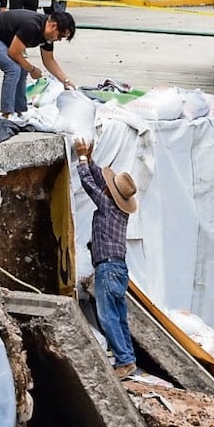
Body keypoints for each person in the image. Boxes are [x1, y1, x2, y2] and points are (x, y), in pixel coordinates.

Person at [73, 138, 139, 380]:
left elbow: (89, 184)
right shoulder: (119, 209)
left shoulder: (108, 206)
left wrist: (81, 158)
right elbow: (101, 182)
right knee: (118, 316)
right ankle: (127, 359)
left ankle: (123, 360)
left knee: (107, 316)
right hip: (118, 268)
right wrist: (90, 159)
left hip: (108, 268)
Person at [0, 10, 76, 117]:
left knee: (22, 69)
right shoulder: (31, 26)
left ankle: (20, 111)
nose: (58, 40)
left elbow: (49, 61)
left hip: (4, 39)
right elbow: (13, 53)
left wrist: (66, 81)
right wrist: (32, 69)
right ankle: (7, 113)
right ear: (53, 26)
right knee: (13, 69)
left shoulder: (47, 35)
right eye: (60, 36)